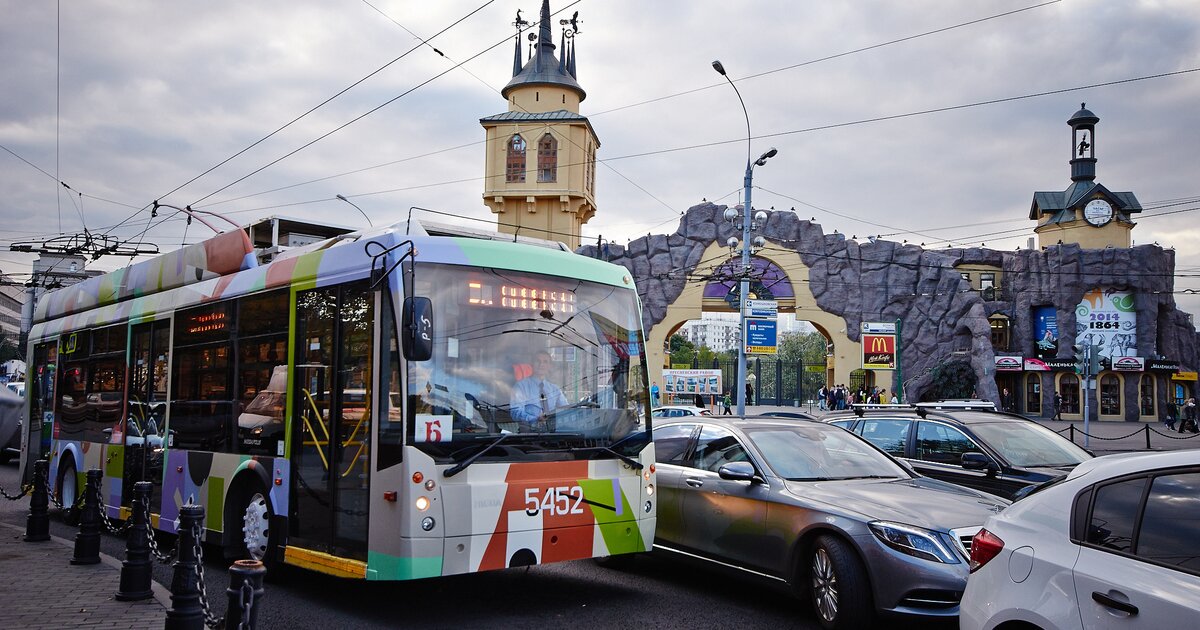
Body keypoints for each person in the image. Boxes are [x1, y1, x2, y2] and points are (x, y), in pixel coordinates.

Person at [510, 351, 568, 430]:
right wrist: (535, 419)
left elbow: (565, 410)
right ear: (532, 364)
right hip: (529, 435)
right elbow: (515, 412)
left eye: (545, 362)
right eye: (538, 361)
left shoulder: (555, 389)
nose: (541, 364)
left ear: (549, 366)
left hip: (554, 435)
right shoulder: (521, 386)